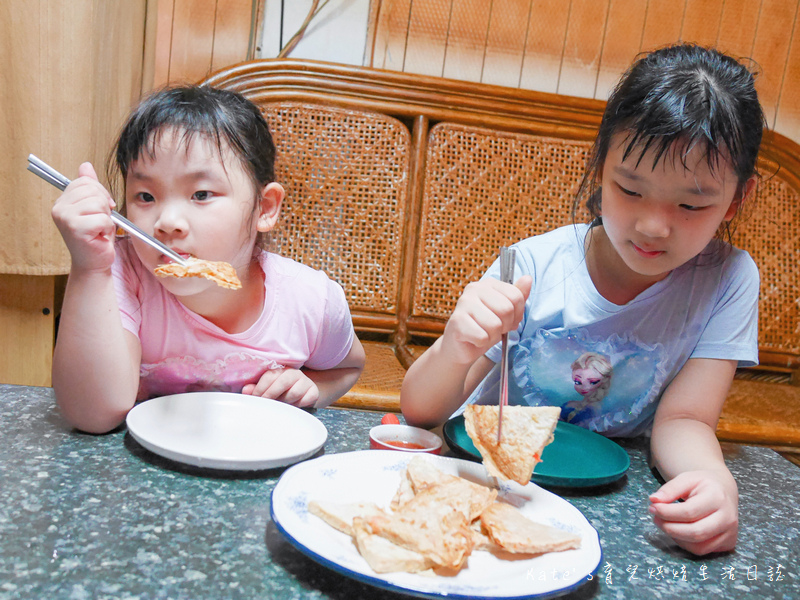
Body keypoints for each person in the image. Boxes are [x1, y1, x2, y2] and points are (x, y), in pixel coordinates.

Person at [401, 44, 765, 556]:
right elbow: (419, 410)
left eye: (691, 203)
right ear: (600, 166)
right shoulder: (530, 267)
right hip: (485, 485)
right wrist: (455, 348)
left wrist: (711, 483)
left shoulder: (727, 279)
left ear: (737, 199)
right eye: (630, 189)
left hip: (611, 501)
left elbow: (686, 421)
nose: (652, 226)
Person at [51, 86, 365, 434]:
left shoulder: (310, 301)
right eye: (145, 196)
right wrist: (89, 269)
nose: (167, 221)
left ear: (264, 208)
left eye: (201, 194)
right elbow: (92, 414)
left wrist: (313, 389)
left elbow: (346, 368)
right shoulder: (122, 274)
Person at [562, 352, 613, 422]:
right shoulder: (570, 404)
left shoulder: (600, 411)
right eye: (578, 382)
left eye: (593, 382)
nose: (584, 387)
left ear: (604, 380)